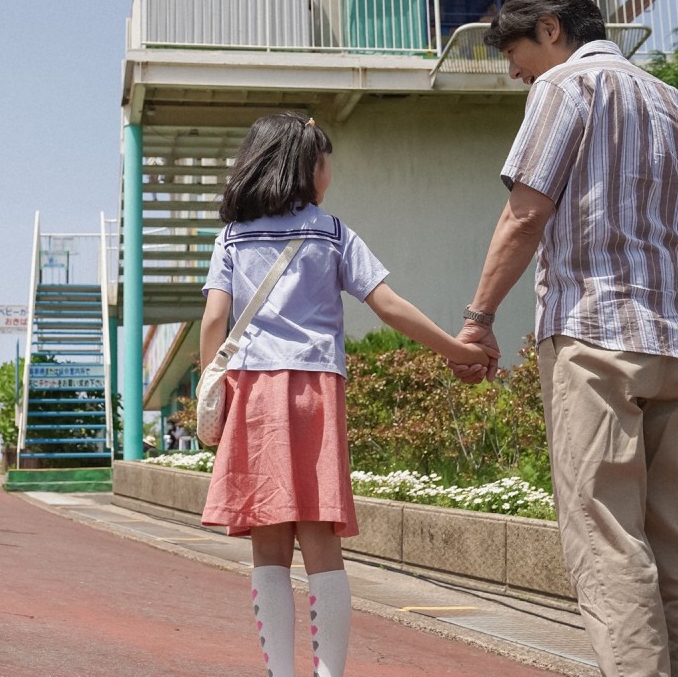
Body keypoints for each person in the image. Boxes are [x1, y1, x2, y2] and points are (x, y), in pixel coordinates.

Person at [451, 0, 678, 676]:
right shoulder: (675, 103)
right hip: (676, 343)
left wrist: (479, 318)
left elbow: (526, 215)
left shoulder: (564, 90)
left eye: (514, 51)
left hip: (594, 339)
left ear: (552, 27)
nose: (514, 71)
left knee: (608, 537)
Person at [199, 112, 493, 677]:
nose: (329, 169)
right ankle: (328, 673)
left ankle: (279, 673)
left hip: (256, 392)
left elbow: (215, 319)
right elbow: (388, 305)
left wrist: (214, 383)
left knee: (269, 543)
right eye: (324, 158)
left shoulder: (232, 237)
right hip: (317, 391)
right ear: (307, 168)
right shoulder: (332, 233)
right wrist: (458, 350)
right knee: (321, 536)